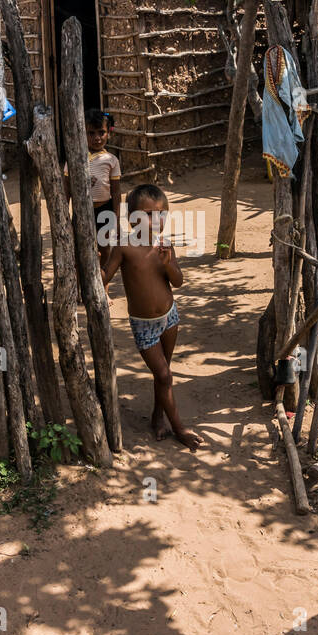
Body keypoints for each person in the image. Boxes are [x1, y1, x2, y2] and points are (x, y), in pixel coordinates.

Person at [101, 184, 204, 451]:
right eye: (147, 214)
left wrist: (169, 261)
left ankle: (158, 417)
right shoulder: (124, 246)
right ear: (131, 217)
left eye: (161, 214)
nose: (155, 220)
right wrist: (92, 274)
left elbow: (178, 282)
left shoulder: (165, 245)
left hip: (170, 317)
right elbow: (105, 275)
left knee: (163, 374)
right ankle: (179, 427)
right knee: (165, 375)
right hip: (143, 324)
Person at [85, 110, 121, 269]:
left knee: (105, 249)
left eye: (101, 132)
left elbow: (116, 192)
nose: (97, 138)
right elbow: (67, 189)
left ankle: (104, 288)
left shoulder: (112, 160)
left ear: (109, 133)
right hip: (84, 212)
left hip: (105, 211)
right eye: (91, 133)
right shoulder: (77, 158)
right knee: (84, 251)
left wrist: (118, 219)